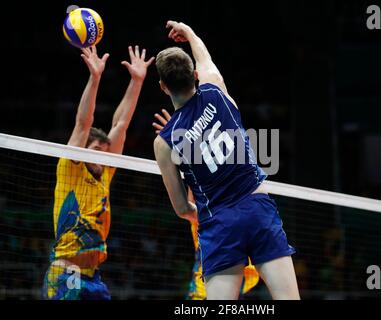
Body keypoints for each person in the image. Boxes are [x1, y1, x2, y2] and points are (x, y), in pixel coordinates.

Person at [153, 21, 300, 300]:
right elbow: (205, 59)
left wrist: (207, 214)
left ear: (162, 86)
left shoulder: (164, 142)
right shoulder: (215, 91)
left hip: (218, 225)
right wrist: (190, 33)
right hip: (257, 208)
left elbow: (182, 208)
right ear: (195, 75)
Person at [43, 45, 154, 300]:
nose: (101, 157)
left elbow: (121, 124)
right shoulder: (71, 167)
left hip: (94, 277)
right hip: (66, 272)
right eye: (95, 150)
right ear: (83, 150)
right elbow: (84, 123)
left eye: (104, 152)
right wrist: (95, 78)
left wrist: (137, 82)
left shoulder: (104, 173)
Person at [153, 111, 260, 300]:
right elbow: (193, 193)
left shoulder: (244, 204)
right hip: (203, 294)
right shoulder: (204, 214)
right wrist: (183, 141)